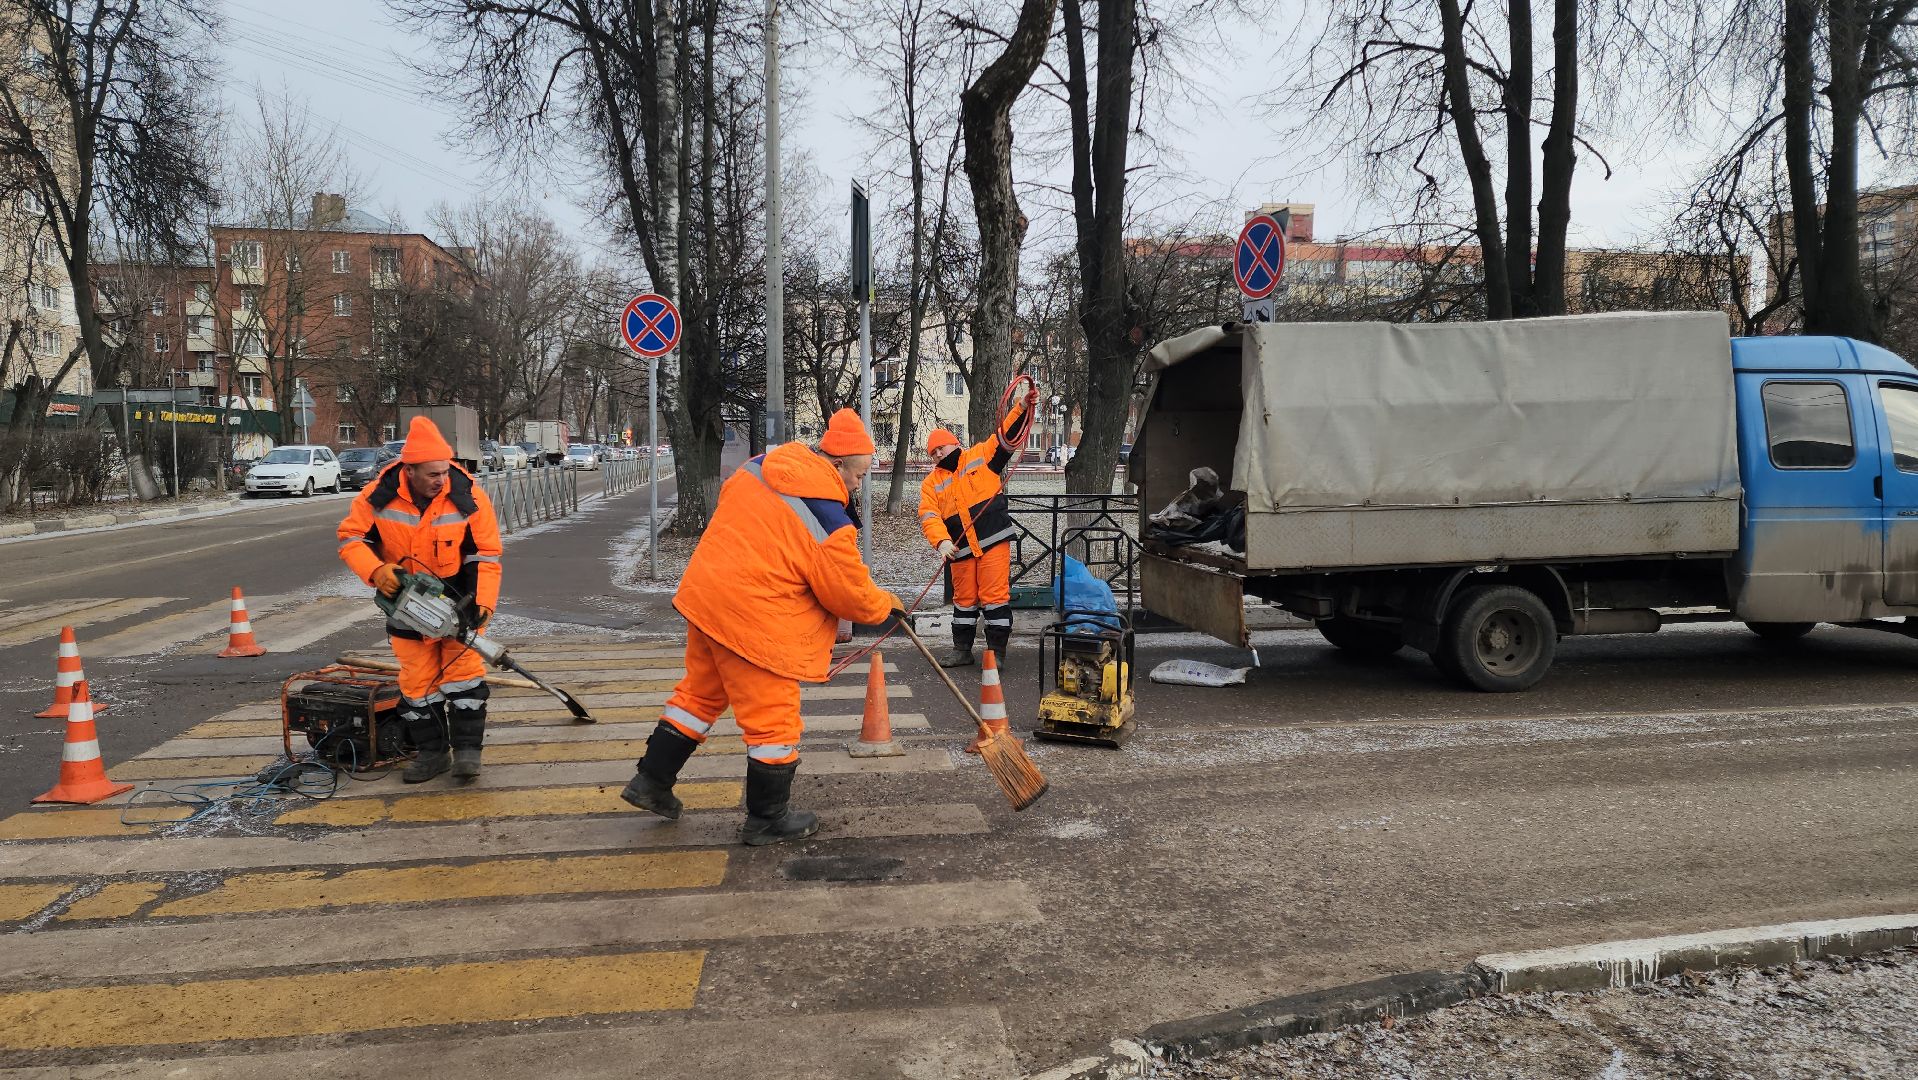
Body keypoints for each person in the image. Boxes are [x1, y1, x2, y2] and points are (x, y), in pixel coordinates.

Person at [622, 408, 901, 846]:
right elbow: (847, 593)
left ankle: (650, 783)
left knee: (698, 695)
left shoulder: (760, 467)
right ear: (836, 463)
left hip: (708, 598)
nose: (857, 484)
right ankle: (768, 817)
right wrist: (888, 605)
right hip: (756, 620)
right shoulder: (826, 516)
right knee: (774, 720)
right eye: (858, 474)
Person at [337, 416, 503, 784]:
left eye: (445, 472)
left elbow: (486, 555)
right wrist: (376, 570)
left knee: (464, 679)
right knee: (417, 683)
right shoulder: (377, 495)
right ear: (408, 470)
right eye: (432, 474)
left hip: (460, 599)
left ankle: (467, 755)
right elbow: (352, 539)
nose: (441, 480)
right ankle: (432, 755)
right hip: (405, 601)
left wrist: (482, 604)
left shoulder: (467, 494)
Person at [917, 384, 1039, 669]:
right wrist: (941, 542)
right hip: (959, 548)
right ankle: (962, 649)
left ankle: (996, 652)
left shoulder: (980, 456)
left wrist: (1021, 407)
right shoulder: (931, 483)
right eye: (932, 452)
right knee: (964, 601)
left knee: (994, 598)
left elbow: (1005, 436)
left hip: (992, 539)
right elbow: (929, 515)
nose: (937, 454)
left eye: (941, 448)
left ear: (954, 443)